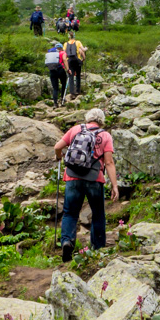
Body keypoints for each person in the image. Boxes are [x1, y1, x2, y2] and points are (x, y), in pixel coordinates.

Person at [54, 107, 119, 261]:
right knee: (98, 214)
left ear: (88, 118)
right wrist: (114, 185)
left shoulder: (76, 129)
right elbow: (109, 162)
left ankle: (67, 242)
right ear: (101, 121)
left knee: (70, 212)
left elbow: (57, 147)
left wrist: (60, 157)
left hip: (72, 177)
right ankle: (97, 249)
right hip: (94, 179)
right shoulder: (105, 135)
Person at [60, 32, 86, 100]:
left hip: (69, 61)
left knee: (71, 76)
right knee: (78, 76)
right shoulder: (78, 42)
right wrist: (84, 56)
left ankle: (72, 92)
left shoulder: (65, 44)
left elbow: (64, 52)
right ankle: (78, 91)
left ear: (69, 37)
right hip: (77, 60)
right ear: (74, 36)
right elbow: (82, 50)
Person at [44, 40, 66, 107]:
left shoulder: (50, 53)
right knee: (63, 84)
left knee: (55, 88)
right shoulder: (62, 53)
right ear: (61, 48)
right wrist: (68, 69)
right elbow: (65, 60)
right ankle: (62, 98)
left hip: (52, 71)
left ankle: (55, 103)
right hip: (60, 70)